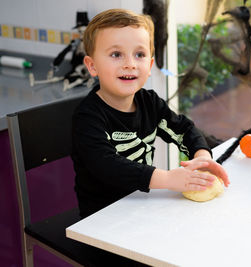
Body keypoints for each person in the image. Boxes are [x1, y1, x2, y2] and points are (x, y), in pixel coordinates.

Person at [71, 9, 230, 218]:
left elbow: (184, 129)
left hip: (142, 206)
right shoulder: (88, 117)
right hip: (101, 220)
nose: (130, 63)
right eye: (116, 54)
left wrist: (202, 157)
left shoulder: (149, 102)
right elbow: (107, 166)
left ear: (150, 65)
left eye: (140, 54)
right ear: (92, 66)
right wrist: (169, 179)